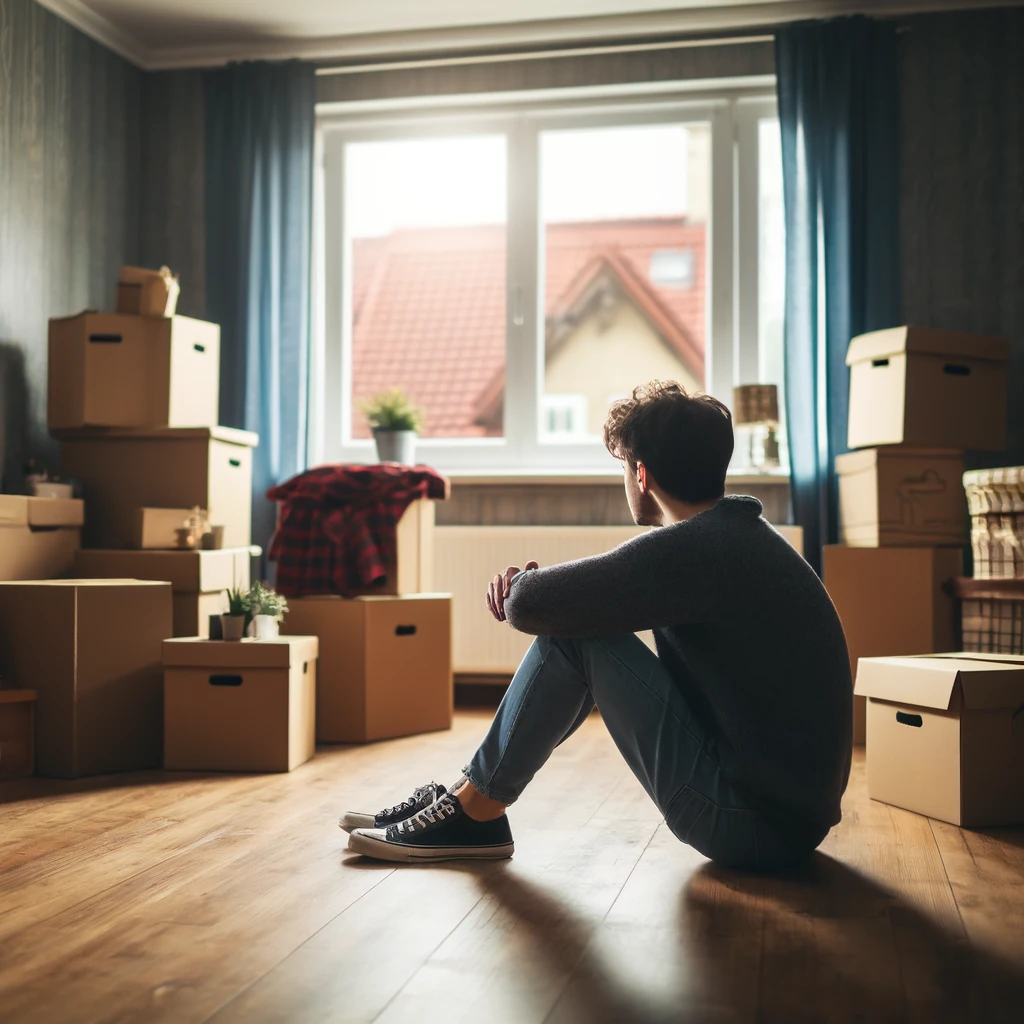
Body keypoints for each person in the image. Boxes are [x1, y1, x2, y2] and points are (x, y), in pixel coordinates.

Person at [342, 381, 853, 871]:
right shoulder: (736, 538)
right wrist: (543, 594)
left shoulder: (697, 550)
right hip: (785, 824)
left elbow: (532, 607)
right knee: (579, 620)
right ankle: (466, 799)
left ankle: (475, 811)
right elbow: (566, 598)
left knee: (579, 636)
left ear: (642, 475)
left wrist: (524, 587)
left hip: (750, 827)